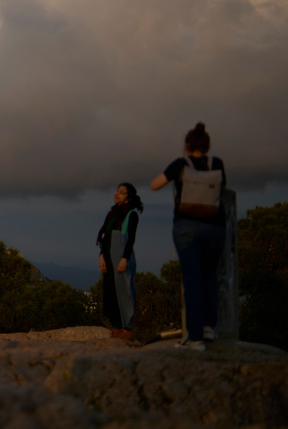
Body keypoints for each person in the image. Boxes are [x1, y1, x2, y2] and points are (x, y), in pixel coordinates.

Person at [150, 122, 227, 351]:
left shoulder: (180, 164)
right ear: (207, 145)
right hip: (215, 227)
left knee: (191, 279)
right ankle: (209, 328)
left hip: (186, 227)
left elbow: (155, 185)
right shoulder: (217, 164)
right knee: (210, 276)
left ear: (186, 145)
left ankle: (195, 339)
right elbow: (222, 189)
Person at [95, 182, 142, 340]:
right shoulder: (111, 214)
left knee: (125, 290)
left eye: (121, 192)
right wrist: (102, 256)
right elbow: (104, 237)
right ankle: (115, 325)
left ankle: (127, 328)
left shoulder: (131, 214)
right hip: (108, 255)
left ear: (128, 198)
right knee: (111, 291)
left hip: (122, 256)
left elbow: (131, 240)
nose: (117, 194)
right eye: (117, 191)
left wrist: (124, 259)